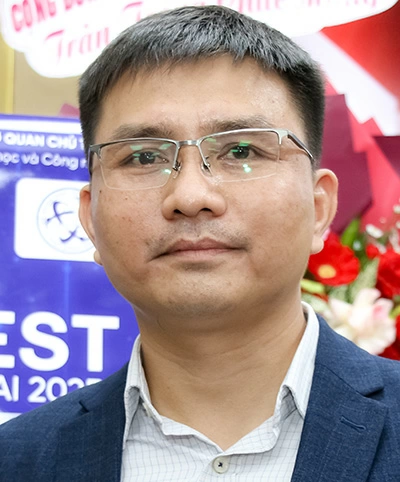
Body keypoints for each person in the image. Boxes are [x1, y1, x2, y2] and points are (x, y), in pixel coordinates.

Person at [1, 5, 400, 482]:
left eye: (240, 150)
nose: (190, 197)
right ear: (90, 219)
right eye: (144, 157)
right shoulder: (17, 460)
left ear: (319, 208)